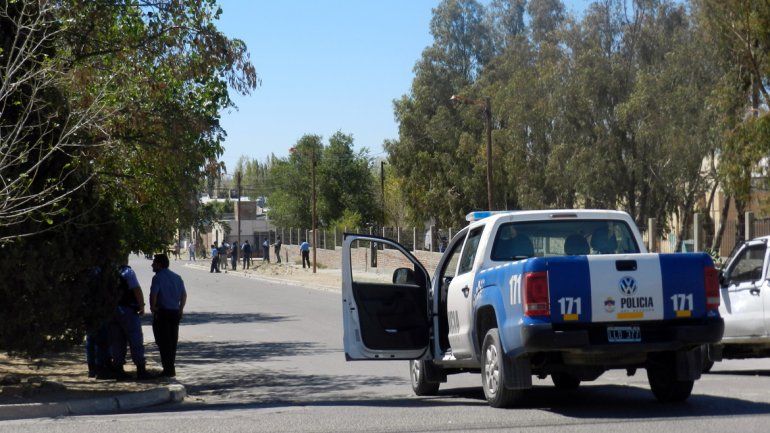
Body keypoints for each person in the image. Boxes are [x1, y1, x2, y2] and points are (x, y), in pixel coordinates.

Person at [149, 254, 187, 378]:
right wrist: (180, 309)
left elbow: (153, 294)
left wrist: (153, 307)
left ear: (159, 264)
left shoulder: (157, 278)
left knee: (163, 341)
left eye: (154, 263)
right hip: (175, 312)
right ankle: (170, 367)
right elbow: (184, 295)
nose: (152, 265)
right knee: (172, 341)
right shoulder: (177, 277)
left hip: (163, 312)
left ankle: (168, 369)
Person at [109, 263, 149, 380]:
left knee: (116, 341)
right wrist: (141, 306)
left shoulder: (106, 271)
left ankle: (119, 371)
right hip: (127, 310)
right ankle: (141, 370)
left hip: (111, 311)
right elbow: (136, 289)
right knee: (135, 339)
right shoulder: (127, 272)